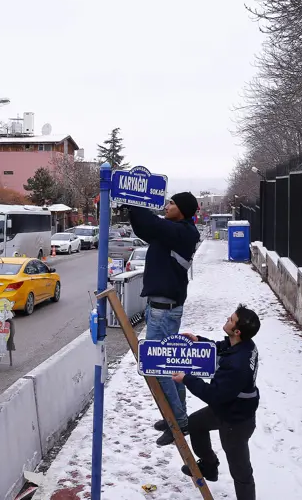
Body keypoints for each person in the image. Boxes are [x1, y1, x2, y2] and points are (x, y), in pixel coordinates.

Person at [128, 191, 201, 446]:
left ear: (182, 209)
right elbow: (145, 228)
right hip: (159, 309)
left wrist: (134, 199)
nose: (167, 206)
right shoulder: (171, 231)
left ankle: (177, 421)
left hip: (164, 311)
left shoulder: (184, 232)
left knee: (159, 368)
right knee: (172, 366)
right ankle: (177, 415)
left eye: (171, 203)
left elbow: (153, 223)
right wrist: (132, 208)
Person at [171, 306, 261, 500]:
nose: (228, 319)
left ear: (237, 331)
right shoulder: (244, 344)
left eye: (231, 320)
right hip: (229, 407)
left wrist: (186, 378)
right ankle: (209, 466)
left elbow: (213, 394)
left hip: (236, 421)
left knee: (240, 471)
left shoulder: (237, 365)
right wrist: (199, 341)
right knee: (196, 423)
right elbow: (223, 348)